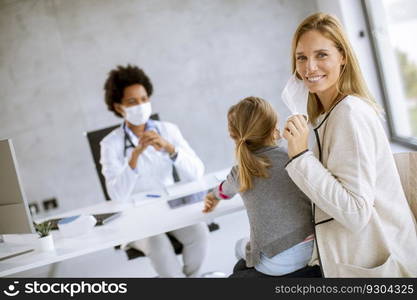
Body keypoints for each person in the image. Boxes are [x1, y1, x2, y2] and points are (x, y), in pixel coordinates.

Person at [283, 13, 417, 277]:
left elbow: (355, 212)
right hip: (352, 257)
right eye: (302, 57)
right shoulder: (327, 116)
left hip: (377, 266)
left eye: (321, 55)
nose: (309, 67)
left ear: (342, 56)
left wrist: (300, 155)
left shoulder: (349, 114)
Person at [100, 64, 209, 277]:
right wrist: (134, 157)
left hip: (170, 208)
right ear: (119, 107)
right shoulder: (110, 145)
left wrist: (170, 149)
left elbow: (197, 172)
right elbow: (116, 195)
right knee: (158, 246)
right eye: (132, 102)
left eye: (144, 99)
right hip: (135, 218)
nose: (140, 105)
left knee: (199, 233)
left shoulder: (168, 130)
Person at [203, 96, 320, 278]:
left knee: (240, 247)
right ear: (275, 128)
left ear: (234, 136)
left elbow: (223, 191)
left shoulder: (240, 172)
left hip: (277, 265)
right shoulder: (294, 156)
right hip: (315, 250)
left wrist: (213, 196)